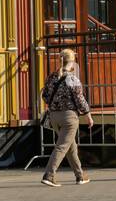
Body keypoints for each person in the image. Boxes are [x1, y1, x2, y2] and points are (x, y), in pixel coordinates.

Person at [40, 48, 93, 187]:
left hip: (53, 116)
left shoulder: (51, 77)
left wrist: (55, 105)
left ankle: (80, 176)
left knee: (70, 147)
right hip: (69, 117)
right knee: (62, 146)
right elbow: (80, 100)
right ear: (73, 61)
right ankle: (49, 175)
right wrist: (88, 116)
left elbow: (44, 95)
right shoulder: (73, 79)